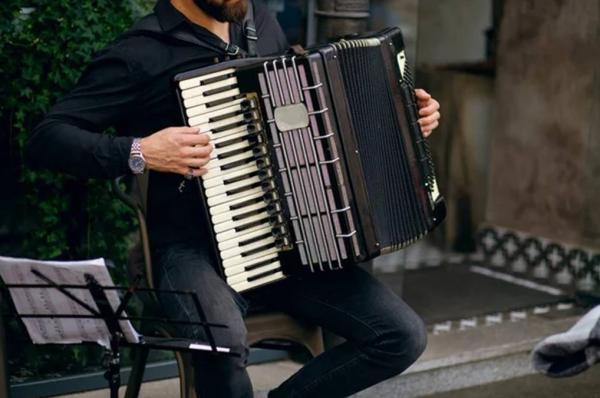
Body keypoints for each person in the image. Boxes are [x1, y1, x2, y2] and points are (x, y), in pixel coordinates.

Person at [27, 0, 441, 396]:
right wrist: (140, 152)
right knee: (223, 345)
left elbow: (315, 124)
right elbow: (48, 139)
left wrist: (401, 118)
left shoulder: (260, 24)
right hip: (191, 250)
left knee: (401, 335)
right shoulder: (139, 53)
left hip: (284, 243)